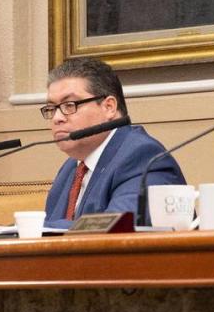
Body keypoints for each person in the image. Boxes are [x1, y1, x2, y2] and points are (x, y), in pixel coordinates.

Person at [41, 57, 185, 229]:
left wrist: (30, 228)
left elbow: (116, 228)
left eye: (69, 105)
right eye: (51, 109)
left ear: (109, 107)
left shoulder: (142, 156)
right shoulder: (70, 168)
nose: (57, 118)